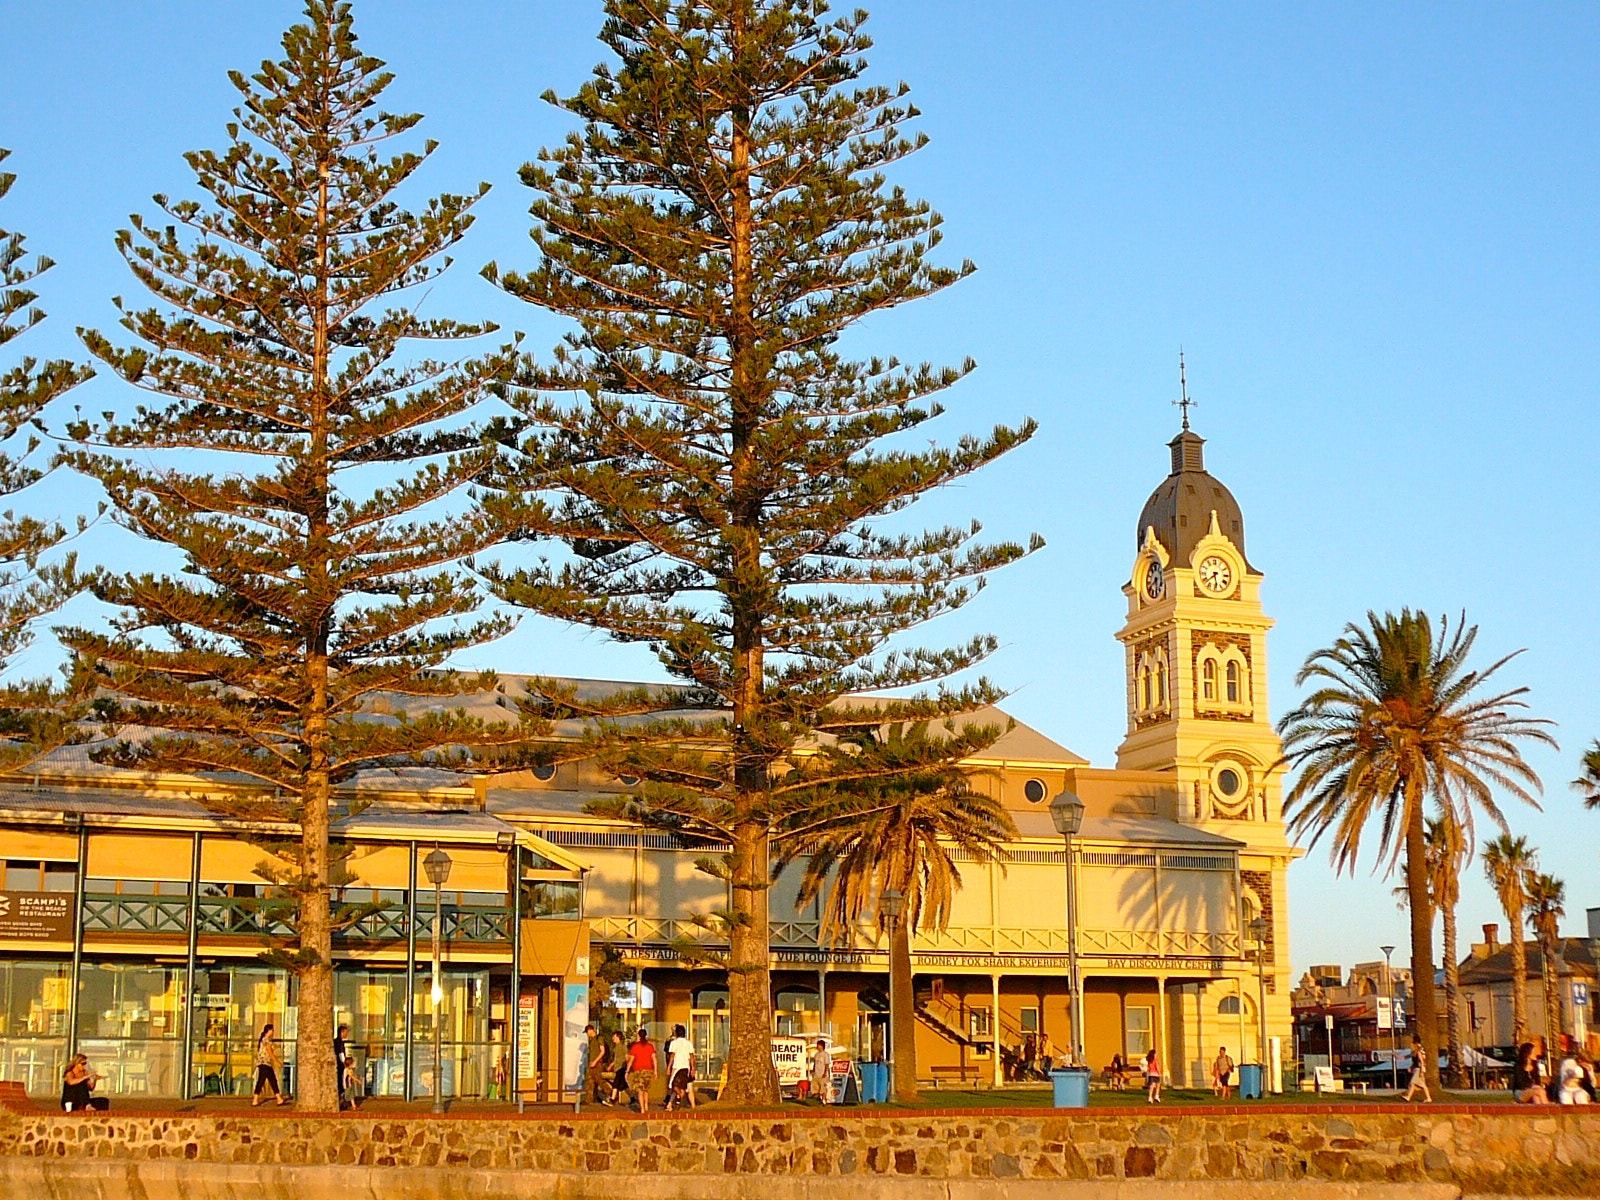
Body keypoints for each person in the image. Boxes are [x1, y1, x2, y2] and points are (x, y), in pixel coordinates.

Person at [252, 1023, 288, 1106]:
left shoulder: (264, 1040)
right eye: (272, 1030)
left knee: (270, 1081)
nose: (273, 1032)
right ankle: (256, 1099)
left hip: (264, 1063)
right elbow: (270, 1053)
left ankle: (278, 1098)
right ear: (269, 1030)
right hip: (265, 1063)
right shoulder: (266, 1040)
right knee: (263, 1081)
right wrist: (277, 1061)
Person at [624, 1028, 658, 1114]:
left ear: (639, 1036)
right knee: (645, 1089)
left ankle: (642, 1108)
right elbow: (654, 1059)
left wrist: (627, 1071)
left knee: (640, 1090)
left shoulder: (635, 1046)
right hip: (648, 1069)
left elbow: (631, 1060)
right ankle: (646, 1105)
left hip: (638, 1070)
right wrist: (655, 1070)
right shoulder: (650, 1046)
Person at [665, 1024, 696, 1110]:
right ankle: (670, 1105)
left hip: (677, 1067)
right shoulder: (689, 1043)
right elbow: (692, 1056)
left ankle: (681, 1095)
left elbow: (672, 1056)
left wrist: (668, 1067)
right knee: (688, 1086)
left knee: (673, 1086)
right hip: (686, 1067)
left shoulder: (674, 1043)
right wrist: (692, 1068)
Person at [1556, 1037, 1592, 1106]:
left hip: (1578, 1089)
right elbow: (1572, 1074)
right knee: (1566, 1100)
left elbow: (1591, 1083)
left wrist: (1590, 1072)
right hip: (1566, 1088)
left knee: (1581, 1097)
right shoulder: (1569, 1063)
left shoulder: (1586, 1068)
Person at [586, 1024, 614, 1105]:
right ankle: (589, 1100)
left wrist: (595, 1061)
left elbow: (602, 1051)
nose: (587, 1034)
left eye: (587, 1032)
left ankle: (609, 1092)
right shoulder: (592, 1040)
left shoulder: (599, 1038)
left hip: (597, 1064)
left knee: (599, 1080)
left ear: (590, 1031)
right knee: (589, 1081)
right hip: (591, 1064)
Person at [1402, 1036, 1432, 1103]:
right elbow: (1407, 1057)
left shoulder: (1418, 1053)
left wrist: (1421, 1071)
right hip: (1416, 1069)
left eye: (1412, 1045)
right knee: (1423, 1085)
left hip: (1418, 1070)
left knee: (1413, 1083)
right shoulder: (1414, 1053)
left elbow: (1422, 1062)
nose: (1411, 1046)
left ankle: (1408, 1097)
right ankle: (1428, 1098)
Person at [808, 1038, 832, 1106]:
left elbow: (827, 1064)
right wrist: (813, 1070)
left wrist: (825, 1073)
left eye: (819, 1045)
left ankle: (824, 1100)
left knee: (823, 1088)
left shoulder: (825, 1054)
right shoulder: (816, 1054)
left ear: (822, 1046)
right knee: (816, 1088)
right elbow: (815, 1063)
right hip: (816, 1074)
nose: (817, 1047)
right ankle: (818, 1100)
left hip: (822, 1074)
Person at [609, 1031, 629, 1105]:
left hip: (621, 1067)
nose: (613, 1038)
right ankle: (633, 1097)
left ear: (618, 1037)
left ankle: (612, 1099)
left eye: (614, 1037)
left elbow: (627, 1057)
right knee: (623, 1084)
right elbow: (616, 1059)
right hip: (617, 1067)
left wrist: (628, 1067)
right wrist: (611, 1065)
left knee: (616, 1083)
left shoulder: (623, 1046)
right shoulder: (616, 1047)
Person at [334, 1023, 350, 1109]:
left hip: (339, 1065)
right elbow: (341, 1054)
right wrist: (345, 1064)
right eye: (346, 1032)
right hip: (340, 1066)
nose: (347, 1034)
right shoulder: (339, 1042)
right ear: (342, 1032)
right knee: (341, 1083)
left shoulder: (337, 1042)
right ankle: (341, 1102)